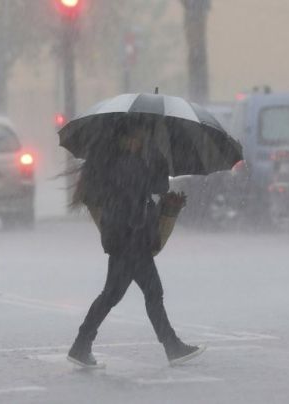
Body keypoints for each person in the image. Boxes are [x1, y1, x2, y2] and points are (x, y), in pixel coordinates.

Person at [67, 117, 206, 368]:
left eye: (142, 137)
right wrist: (155, 158)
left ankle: (81, 345)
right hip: (131, 240)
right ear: (127, 139)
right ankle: (172, 346)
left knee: (113, 295)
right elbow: (155, 186)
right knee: (149, 293)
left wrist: (151, 158)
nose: (140, 141)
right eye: (139, 137)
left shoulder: (117, 163)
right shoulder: (129, 164)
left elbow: (147, 190)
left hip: (124, 239)